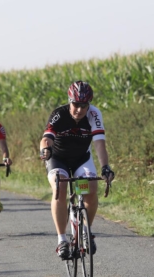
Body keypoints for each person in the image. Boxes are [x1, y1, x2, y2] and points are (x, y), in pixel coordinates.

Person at [39, 81, 115, 259]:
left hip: (81, 159)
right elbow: (46, 138)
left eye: (84, 105)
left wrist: (105, 166)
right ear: (69, 101)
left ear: (89, 104)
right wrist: (45, 149)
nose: (79, 110)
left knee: (91, 188)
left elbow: (99, 144)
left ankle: (86, 231)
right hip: (58, 159)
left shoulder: (94, 114)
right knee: (60, 188)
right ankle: (62, 239)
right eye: (76, 104)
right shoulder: (59, 114)